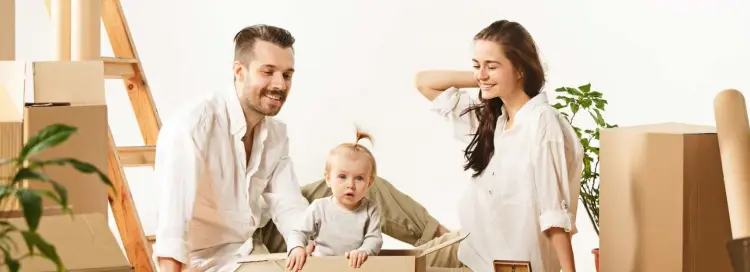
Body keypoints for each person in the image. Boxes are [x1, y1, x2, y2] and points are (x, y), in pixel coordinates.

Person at [151, 24, 448, 272]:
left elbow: (287, 203)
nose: (279, 84)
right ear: (239, 70)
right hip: (214, 258)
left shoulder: (275, 133)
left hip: (258, 234)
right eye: (268, 72)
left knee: (363, 184)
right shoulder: (193, 126)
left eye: (287, 74)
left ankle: (451, 249)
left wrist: (307, 242)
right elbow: (172, 225)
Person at [413, 20, 584, 272]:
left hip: (507, 265)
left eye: (492, 66)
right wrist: (486, 79)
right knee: (373, 202)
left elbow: (554, 214)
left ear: (520, 69)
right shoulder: (494, 120)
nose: (480, 73)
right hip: (472, 247)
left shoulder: (542, 123)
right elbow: (423, 82)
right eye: (476, 65)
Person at [286, 129, 383, 271]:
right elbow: (298, 232)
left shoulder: (370, 209)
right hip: (322, 266)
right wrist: (297, 247)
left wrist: (364, 251)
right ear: (328, 179)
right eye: (342, 176)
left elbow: (374, 239)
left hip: (354, 267)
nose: (351, 185)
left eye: (359, 178)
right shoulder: (319, 207)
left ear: (369, 183)